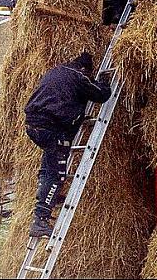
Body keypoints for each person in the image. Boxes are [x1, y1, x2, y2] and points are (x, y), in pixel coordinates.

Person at [25, 51, 113, 238]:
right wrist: (105, 83)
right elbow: (101, 95)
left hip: (34, 125)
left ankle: (50, 197)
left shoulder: (55, 71)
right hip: (52, 127)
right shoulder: (79, 76)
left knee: (48, 166)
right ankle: (40, 220)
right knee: (57, 174)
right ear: (84, 69)